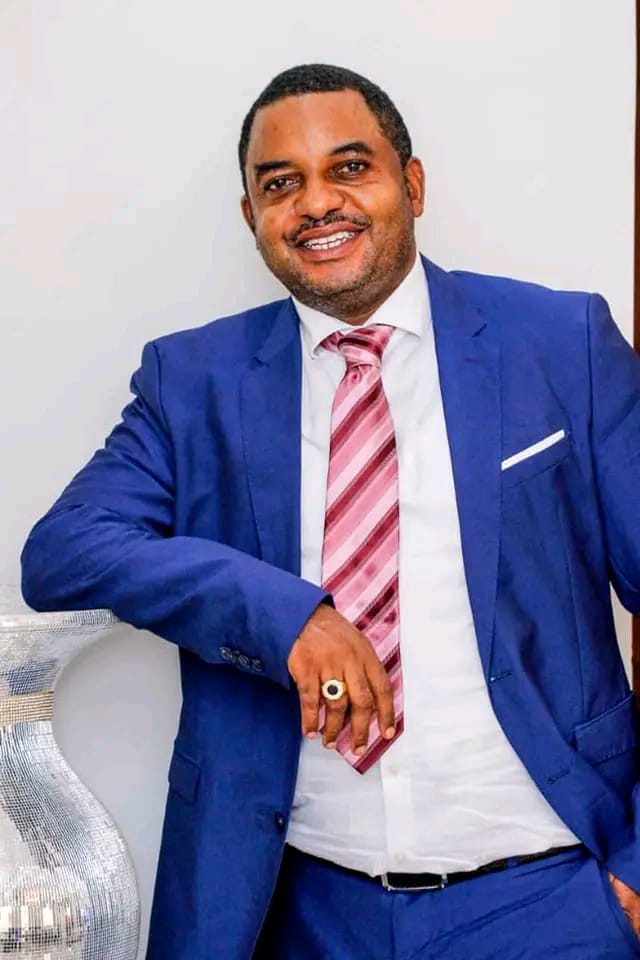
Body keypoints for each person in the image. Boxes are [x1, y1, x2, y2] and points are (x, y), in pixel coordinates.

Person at [19, 62, 640, 959]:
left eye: (350, 168)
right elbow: (64, 551)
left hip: (552, 903)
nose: (316, 203)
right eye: (281, 184)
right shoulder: (193, 381)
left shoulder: (559, 343)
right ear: (252, 217)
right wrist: (287, 617)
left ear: (411, 185)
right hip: (296, 912)